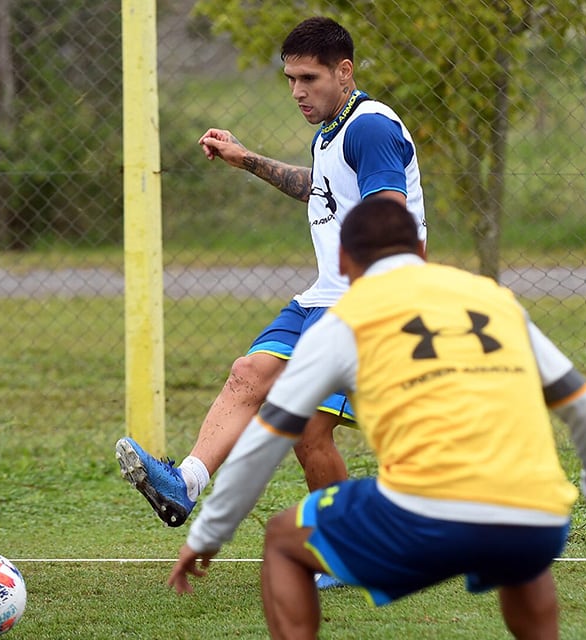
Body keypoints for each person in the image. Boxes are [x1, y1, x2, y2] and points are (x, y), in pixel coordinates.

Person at [166, 198, 586, 640]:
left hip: (425, 514)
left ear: (342, 262)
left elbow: (267, 437)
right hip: (538, 513)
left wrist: (209, 533)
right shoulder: (493, 298)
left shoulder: (345, 319)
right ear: (420, 250)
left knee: (283, 540)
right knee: (521, 553)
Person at [115, 15, 427, 578]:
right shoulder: (333, 130)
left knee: (309, 427)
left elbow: (389, 215)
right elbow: (321, 188)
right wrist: (248, 160)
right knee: (249, 374)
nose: (297, 91)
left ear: (344, 71)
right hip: (322, 296)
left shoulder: (371, 127)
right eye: (290, 79)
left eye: (309, 78)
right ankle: (185, 484)